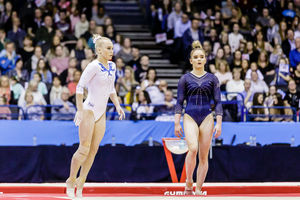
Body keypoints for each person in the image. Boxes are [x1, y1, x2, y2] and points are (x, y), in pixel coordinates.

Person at [66, 34, 125, 198]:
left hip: (101, 112)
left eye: (112, 48)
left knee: (93, 151)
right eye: (108, 48)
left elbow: (111, 89)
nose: (111, 51)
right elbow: (79, 88)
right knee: (84, 149)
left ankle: (81, 183)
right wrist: (79, 110)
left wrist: (118, 106)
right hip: (89, 110)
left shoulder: (112, 66)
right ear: (98, 50)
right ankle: (71, 180)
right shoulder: (93, 66)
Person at [174, 41, 222, 195]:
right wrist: (176, 123)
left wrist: (219, 124)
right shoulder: (185, 79)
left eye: (202, 57)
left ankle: (199, 189)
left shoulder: (213, 79)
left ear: (205, 60)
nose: (199, 59)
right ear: (191, 60)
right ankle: (189, 181)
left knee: (203, 156)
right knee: (193, 149)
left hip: (207, 117)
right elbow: (179, 102)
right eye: (196, 57)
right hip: (190, 116)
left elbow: (218, 102)